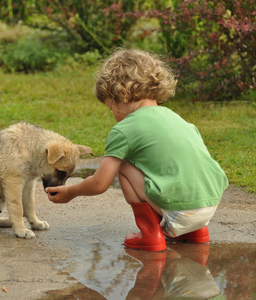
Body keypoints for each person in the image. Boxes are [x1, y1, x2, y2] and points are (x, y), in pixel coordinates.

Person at [46, 49, 228, 252]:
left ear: (122, 95)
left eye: (110, 107)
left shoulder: (124, 129)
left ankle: (150, 235)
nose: (112, 114)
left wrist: (71, 192)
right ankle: (195, 233)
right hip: (209, 206)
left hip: (179, 211)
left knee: (123, 164)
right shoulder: (177, 119)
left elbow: (100, 183)